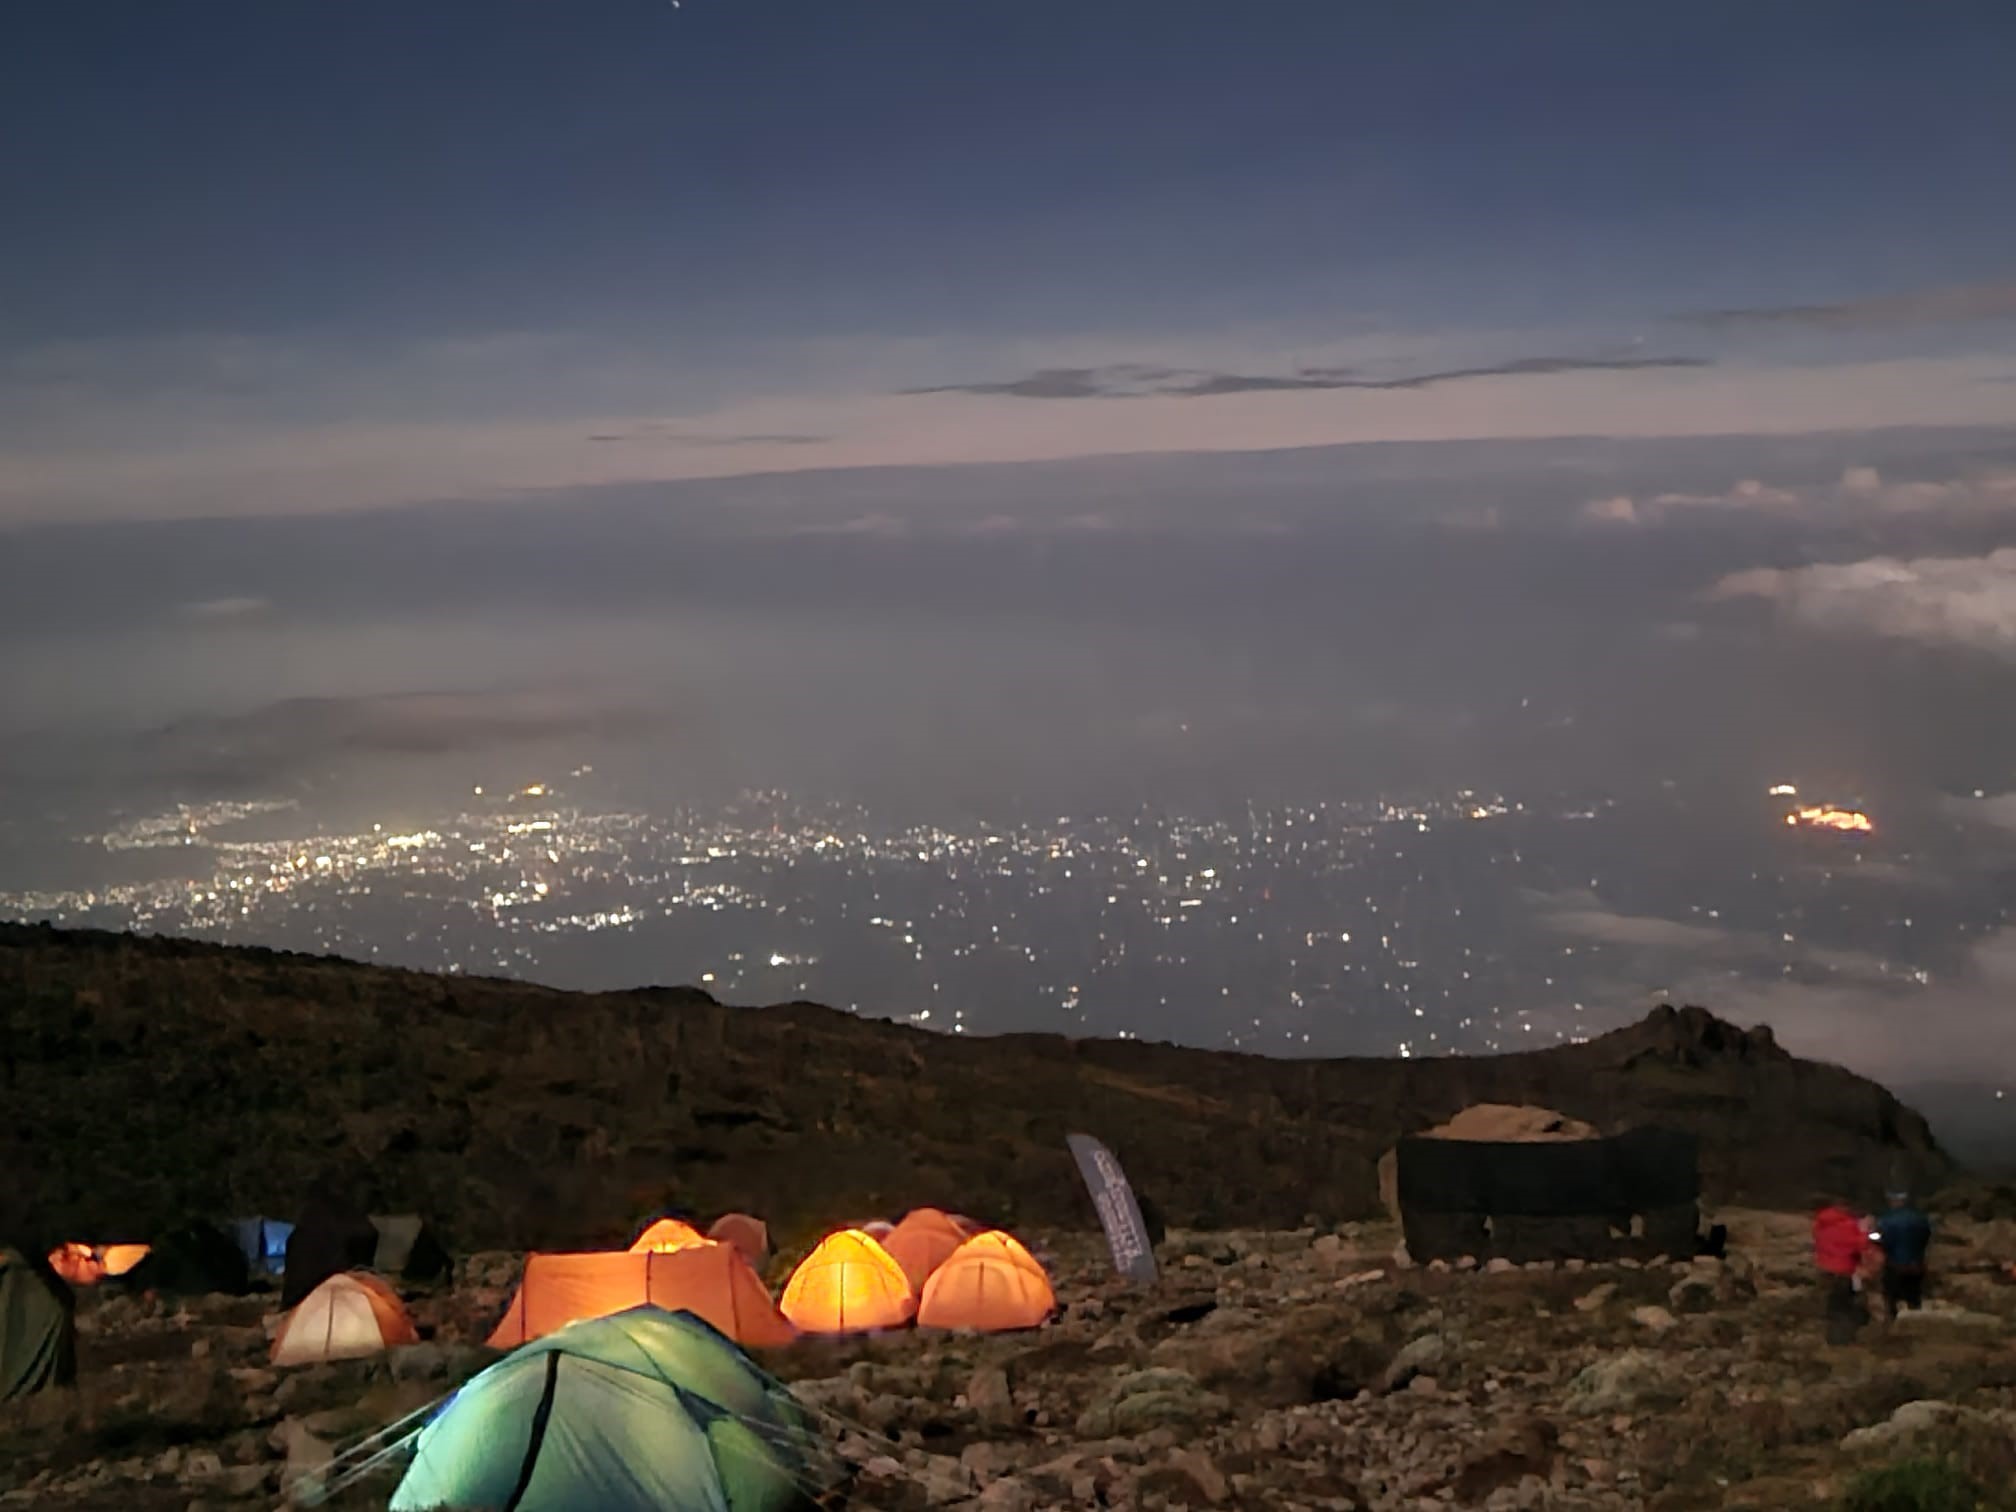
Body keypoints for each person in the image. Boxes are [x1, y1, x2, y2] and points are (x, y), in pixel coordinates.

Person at [1812, 1201, 1869, 1341]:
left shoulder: (1821, 1223)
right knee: (1845, 1306)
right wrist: (1864, 1230)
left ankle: (1831, 1337)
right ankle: (1842, 1338)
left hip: (1825, 1270)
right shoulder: (1848, 1225)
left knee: (1832, 1306)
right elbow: (1859, 1245)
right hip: (1844, 1271)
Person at [1872, 1191, 1933, 1316]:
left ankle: (1893, 1323)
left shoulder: (1887, 1220)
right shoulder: (1920, 1218)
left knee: (1891, 1296)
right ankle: (1916, 1320)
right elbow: (1926, 1237)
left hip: (1895, 1264)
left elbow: (1882, 1240)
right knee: (1914, 1296)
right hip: (1916, 1263)